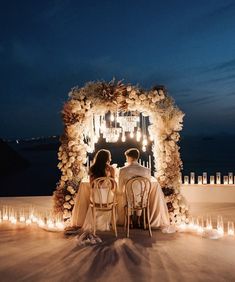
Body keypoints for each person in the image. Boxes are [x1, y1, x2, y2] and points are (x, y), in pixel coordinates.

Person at [118, 148, 151, 227]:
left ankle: (129, 221)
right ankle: (139, 220)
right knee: (140, 193)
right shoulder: (146, 170)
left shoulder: (123, 170)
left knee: (125, 194)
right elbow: (148, 186)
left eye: (126, 157)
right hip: (142, 199)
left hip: (129, 199)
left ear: (129, 157)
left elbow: (120, 186)